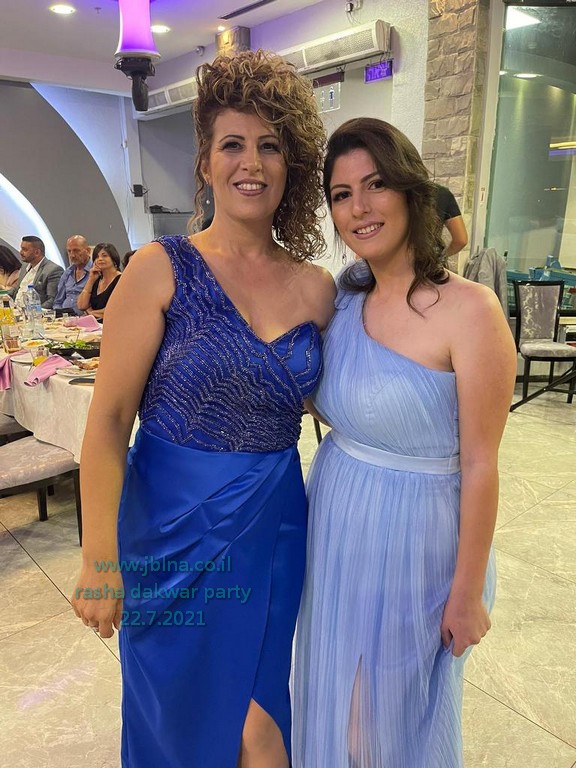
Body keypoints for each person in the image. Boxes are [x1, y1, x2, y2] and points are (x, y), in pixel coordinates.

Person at [71, 49, 334, 768]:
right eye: (233, 144)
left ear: (291, 164)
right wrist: (99, 559)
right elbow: (107, 423)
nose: (252, 163)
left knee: (259, 725)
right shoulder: (159, 268)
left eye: (270, 146)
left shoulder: (317, 288)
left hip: (272, 525)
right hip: (169, 533)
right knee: (180, 720)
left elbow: (343, 399)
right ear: (206, 162)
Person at [292, 118, 517, 768]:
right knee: (333, 699)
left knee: (389, 725)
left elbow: (481, 464)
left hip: (420, 540)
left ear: (410, 190)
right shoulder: (342, 299)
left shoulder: (471, 310)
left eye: (376, 184)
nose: (359, 208)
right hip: (337, 524)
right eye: (341, 194)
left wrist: (466, 593)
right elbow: (330, 399)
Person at [10, 236, 63, 308]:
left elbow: (52, 300)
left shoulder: (53, 270)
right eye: (21, 249)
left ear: (37, 252)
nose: (21, 252)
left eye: (25, 249)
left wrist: (34, 311)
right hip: (15, 310)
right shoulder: (25, 266)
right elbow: (17, 289)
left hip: (34, 313)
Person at [76, 242, 121, 320]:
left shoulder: (121, 279)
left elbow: (116, 308)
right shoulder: (96, 279)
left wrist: (91, 313)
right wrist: (91, 280)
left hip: (113, 322)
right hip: (95, 323)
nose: (100, 259)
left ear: (114, 259)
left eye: (104, 256)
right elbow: (81, 306)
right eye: (97, 257)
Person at [53, 235, 93, 315]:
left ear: (88, 251)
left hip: (85, 317)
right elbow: (58, 302)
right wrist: (59, 315)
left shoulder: (95, 272)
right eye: (69, 251)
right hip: (64, 318)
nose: (72, 255)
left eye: (76, 251)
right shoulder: (67, 273)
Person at [434, 183, 468, 258]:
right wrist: (441, 257)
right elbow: (461, 240)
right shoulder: (442, 193)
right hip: (428, 260)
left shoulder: (406, 193)